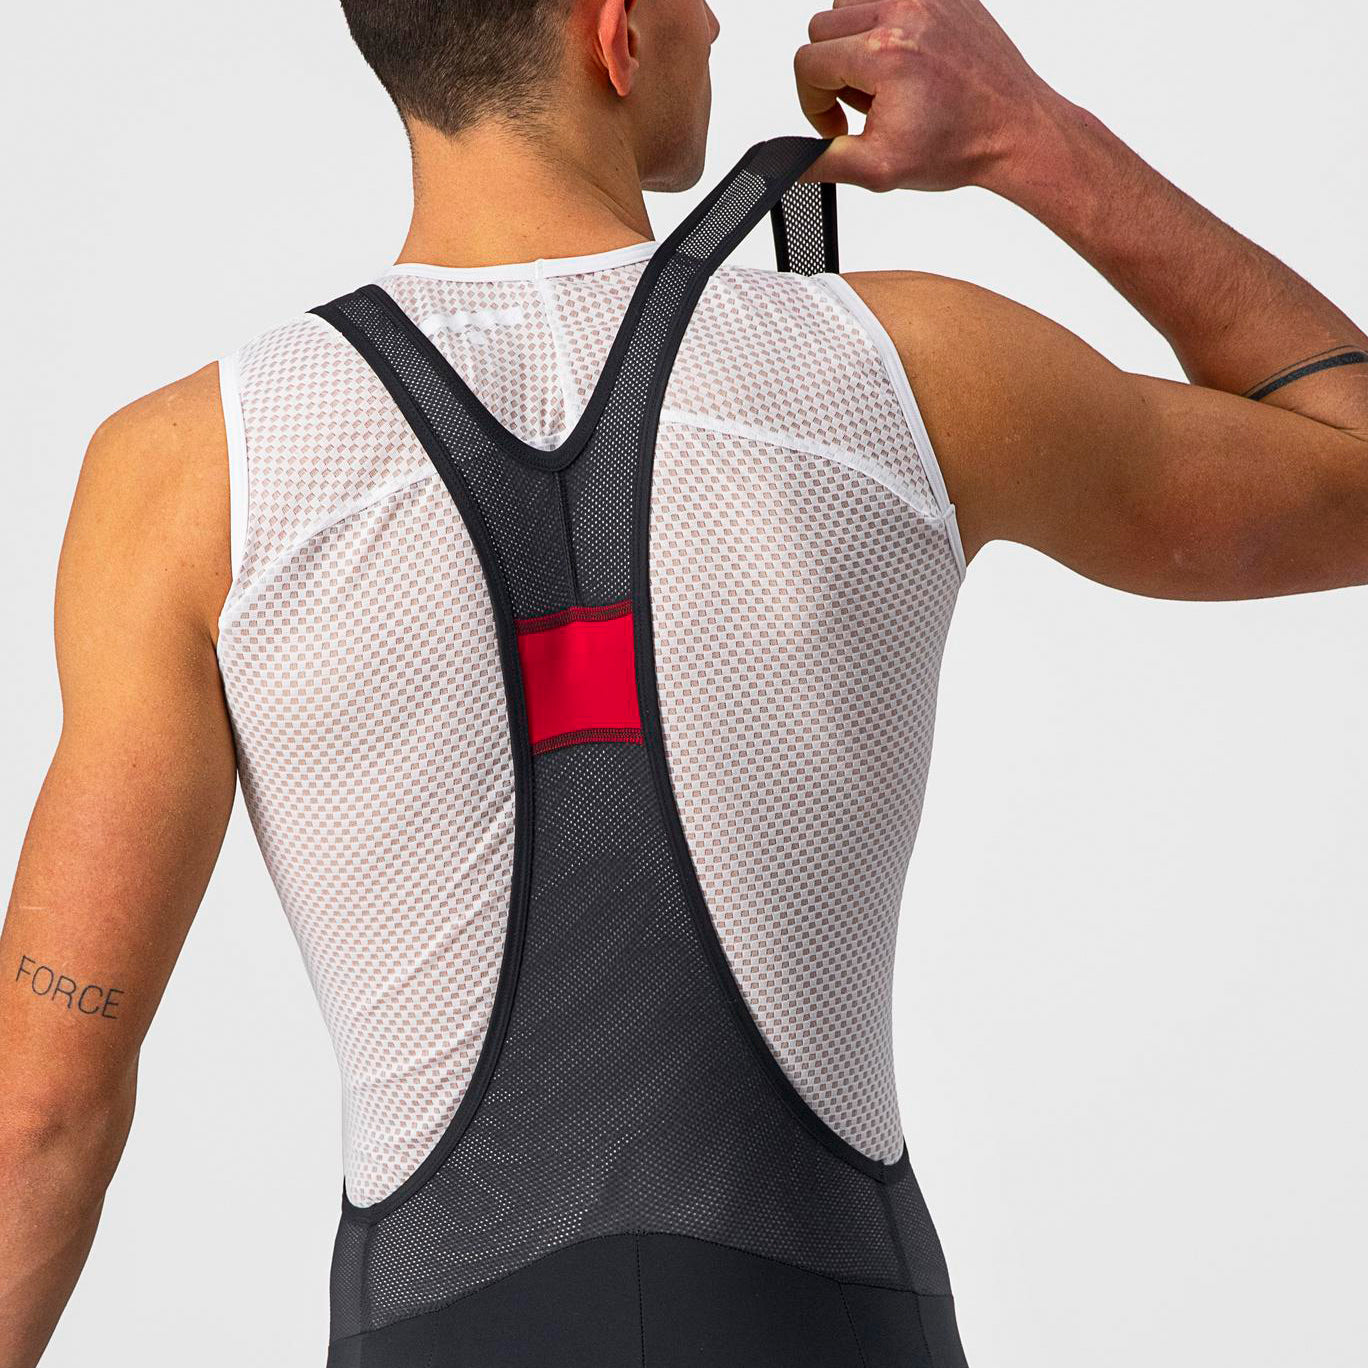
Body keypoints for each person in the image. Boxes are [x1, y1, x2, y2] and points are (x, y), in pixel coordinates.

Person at [2, 1, 1365, 1365]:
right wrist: (1030, 134)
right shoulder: (906, 372)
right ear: (614, 35)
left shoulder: (189, 476)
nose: (713, 19)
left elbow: (41, 1110)